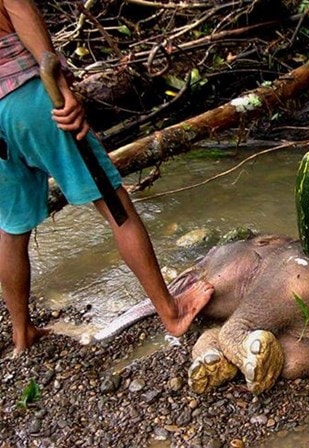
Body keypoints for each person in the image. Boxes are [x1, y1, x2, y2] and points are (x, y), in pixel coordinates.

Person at [0, 0, 214, 356]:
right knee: (116, 207)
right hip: (29, 98)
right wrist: (58, 84)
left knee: (11, 226)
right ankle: (171, 311)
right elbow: (19, 10)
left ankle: (21, 334)